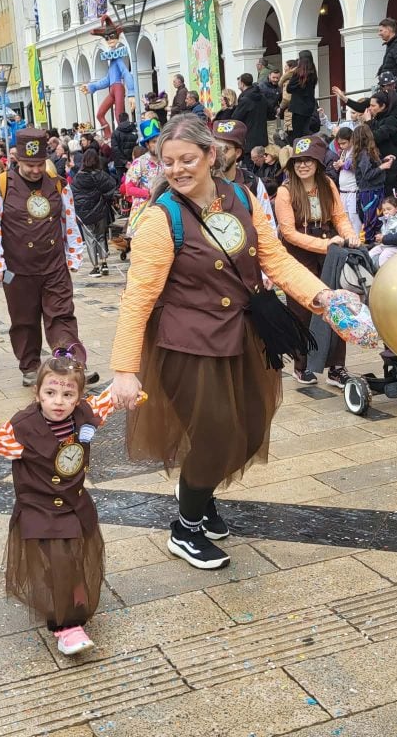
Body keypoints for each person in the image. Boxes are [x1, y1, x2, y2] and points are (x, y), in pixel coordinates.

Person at [108, 116, 345, 569]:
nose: (177, 169)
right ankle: (186, 527)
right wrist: (124, 369)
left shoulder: (241, 196)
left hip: (244, 337)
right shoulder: (163, 219)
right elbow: (138, 298)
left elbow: (273, 259)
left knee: (250, 428)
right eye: (168, 162)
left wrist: (321, 294)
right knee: (216, 435)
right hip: (189, 346)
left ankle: (198, 494)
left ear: (211, 156)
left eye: (188, 159)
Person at [0, 349, 122, 654]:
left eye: (68, 394)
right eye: (51, 392)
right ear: (37, 393)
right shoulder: (23, 428)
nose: (59, 401)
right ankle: (66, 627)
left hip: (75, 504)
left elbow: (108, 402)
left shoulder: (85, 413)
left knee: (74, 555)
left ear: (79, 396)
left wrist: (129, 388)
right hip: (41, 510)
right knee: (57, 560)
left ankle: (71, 592)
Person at [0, 128, 97, 387]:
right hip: (17, 270)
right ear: (17, 160)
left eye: (39, 164)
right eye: (29, 165)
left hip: (54, 265)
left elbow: (69, 220)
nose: (35, 170)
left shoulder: (57, 184)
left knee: (62, 315)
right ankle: (30, 365)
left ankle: (71, 363)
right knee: (24, 320)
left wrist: (74, 252)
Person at [275, 135, 360, 386]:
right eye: (298, 161)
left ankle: (336, 367)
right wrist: (326, 244)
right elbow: (288, 233)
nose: (303, 165)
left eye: (308, 161)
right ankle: (302, 366)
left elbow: (339, 216)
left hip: (328, 246)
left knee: (337, 306)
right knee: (301, 309)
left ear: (318, 163)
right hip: (298, 253)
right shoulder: (285, 190)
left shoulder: (327, 184)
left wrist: (350, 235)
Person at [211, 119, 276, 228]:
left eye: (224, 149)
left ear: (237, 153)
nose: (218, 154)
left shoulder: (252, 183)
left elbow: (269, 226)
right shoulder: (202, 181)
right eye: (215, 148)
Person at [71, 149, 119, 277]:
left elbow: (73, 195)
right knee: (101, 236)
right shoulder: (100, 175)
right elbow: (112, 186)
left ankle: (95, 266)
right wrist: (104, 197)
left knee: (90, 239)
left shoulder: (78, 178)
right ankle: (104, 263)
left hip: (84, 213)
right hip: (100, 210)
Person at [121, 118, 163, 250]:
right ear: (147, 144)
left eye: (159, 141)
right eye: (154, 142)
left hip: (163, 209)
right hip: (143, 211)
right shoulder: (139, 163)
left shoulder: (167, 161)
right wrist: (148, 193)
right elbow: (129, 188)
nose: (157, 145)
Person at [350, 123, 395, 244]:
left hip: (376, 189)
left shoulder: (367, 152)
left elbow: (373, 166)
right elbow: (368, 174)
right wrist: (382, 167)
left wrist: (383, 160)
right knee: (370, 220)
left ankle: (375, 242)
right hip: (370, 191)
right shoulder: (364, 154)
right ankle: (368, 244)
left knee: (378, 217)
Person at [327, 127, 362, 234]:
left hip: (353, 190)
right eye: (340, 144)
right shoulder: (343, 152)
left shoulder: (357, 150)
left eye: (344, 143)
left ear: (352, 139)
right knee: (344, 217)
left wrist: (344, 164)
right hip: (343, 190)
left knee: (354, 218)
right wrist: (338, 166)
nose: (342, 146)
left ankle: (356, 239)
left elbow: (358, 166)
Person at [231, 73, 270, 153]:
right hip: (263, 138)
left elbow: (235, 118)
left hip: (249, 140)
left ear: (242, 83)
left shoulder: (245, 100)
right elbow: (271, 113)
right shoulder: (262, 97)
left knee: (250, 163)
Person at [287, 50, 318, 144]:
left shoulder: (298, 74)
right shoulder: (313, 73)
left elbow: (289, 88)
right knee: (306, 133)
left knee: (297, 134)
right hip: (309, 107)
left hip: (298, 108)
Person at [368, 196, 397, 267]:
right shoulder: (385, 221)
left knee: (383, 258)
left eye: (389, 209)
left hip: (395, 247)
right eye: (384, 210)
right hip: (385, 245)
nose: (386, 212)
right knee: (370, 254)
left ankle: (385, 272)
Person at [110, 112, 137, 182]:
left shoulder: (115, 133)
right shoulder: (134, 130)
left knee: (122, 183)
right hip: (133, 161)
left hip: (120, 163)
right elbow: (136, 145)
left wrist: (124, 162)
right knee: (133, 182)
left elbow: (115, 149)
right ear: (128, 118)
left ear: (119, 120)